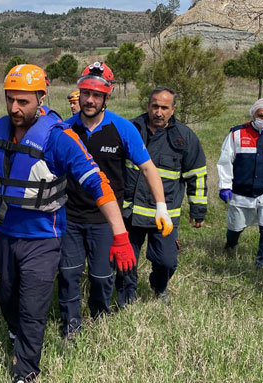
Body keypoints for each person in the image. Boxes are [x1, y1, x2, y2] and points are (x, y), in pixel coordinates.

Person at [0, 63, 135, 383]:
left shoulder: (59, 138)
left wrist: (120, 235)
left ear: (40, 98)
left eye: (23, 101)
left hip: (42, 238)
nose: (14, 108)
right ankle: (15, 336)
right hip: (3, 234)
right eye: (10, 99)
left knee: (32, 306)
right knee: (7, 298)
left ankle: (25, 372)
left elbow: (100, 184)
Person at [58, 62, 171, 339]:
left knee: (100, 277)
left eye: (97, 95)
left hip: (106, 221)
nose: (90, 100)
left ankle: (99, 319)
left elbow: (148, 168)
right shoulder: (65, 128)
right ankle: (71, 326)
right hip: (70, 217)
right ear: (79, 94)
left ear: (106, 97)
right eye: (85, 93)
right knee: (69, 274)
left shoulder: (122, 129)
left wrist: (161, 207)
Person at [117, 86, 207, 307]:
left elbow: (197, 174)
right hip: (130, 211)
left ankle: (160, 286)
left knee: (166, 261)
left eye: (164, 107)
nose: (159, 112)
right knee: (125, 261)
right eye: (155, 106)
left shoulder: (184, 138)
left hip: (164, 214)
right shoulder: (131, 129)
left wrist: (198, 209)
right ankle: (127, 298)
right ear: (148, 106)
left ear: (173, 109)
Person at [217, 98, 263, 271]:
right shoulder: (237, 134)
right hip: (241, 190)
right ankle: (231, 244)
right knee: (235, 226)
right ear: (253, 114)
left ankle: (262, 263)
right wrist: (225, 186)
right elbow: (226, 160)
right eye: (260, 115)